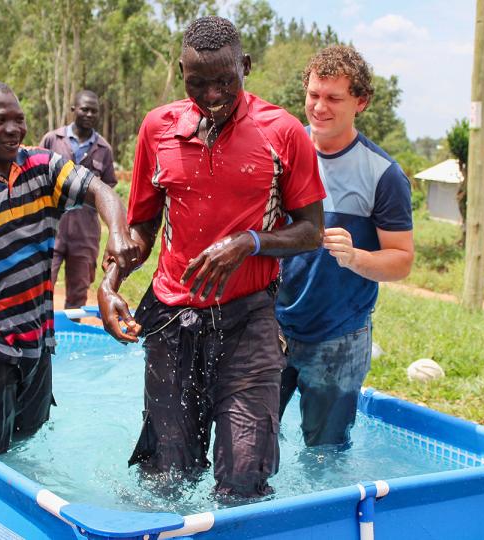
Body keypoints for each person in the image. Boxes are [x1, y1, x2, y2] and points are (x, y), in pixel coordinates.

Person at [96, 16, 325, 497]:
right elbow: (141, 229)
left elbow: (311, 232)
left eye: (225, 79)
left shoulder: (281, 132)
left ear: (245, 66)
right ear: (181, 72)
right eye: (197, 82)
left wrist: (250, 242)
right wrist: (110, 283)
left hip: (249, 321)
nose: (213, 93)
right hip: (171, 321)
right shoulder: (157, 128)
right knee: (167, 475)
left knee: (245, 475)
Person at [0, 79, 138, 455]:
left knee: (28, 444)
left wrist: (116, 230)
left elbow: (99, 189)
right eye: (0, 121)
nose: (13, 129)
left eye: (19, 119)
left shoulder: (42, 166)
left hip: (36, 341)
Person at [276, 45, 415, 448]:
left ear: (361, 102)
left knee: (325, 454)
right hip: (272, 327)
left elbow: (402, 260)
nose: (320, 107)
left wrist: (356, 258)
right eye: (314, 95)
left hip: (339, 338)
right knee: (248, 441)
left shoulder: (384, 175)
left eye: (334, 98)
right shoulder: (283, 152)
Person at [39, 90, 117, 311]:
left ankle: (70, 340)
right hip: (51, 227)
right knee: (41, 285)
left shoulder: (104, 150)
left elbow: (107, 188)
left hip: (85, 231)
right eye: (84, 109)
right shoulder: (52, 140)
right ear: (73, 109)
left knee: (78, 292)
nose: (89, 114)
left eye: (94, 111)